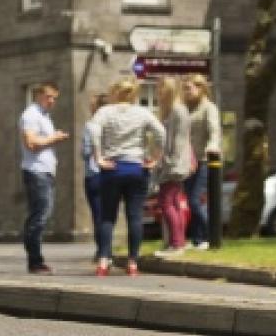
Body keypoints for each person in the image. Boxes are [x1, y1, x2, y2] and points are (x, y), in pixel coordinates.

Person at [91, 76, 164, 277]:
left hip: (112, 168)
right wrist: (155, 157)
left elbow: (94, 131)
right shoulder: (142, 113)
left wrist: (99, 157)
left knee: (107, 216)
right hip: (136, 168)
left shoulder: (104, 112)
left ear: (115, 92)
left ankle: (104, 261)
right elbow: (161, 133)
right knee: (135, 216)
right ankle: (132, 262)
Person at [19, 82, 69, 275]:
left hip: (45, 171)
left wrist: (53, 137)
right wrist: (54, 139)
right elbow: (31, 143)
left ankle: (35, 259)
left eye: (55, 98)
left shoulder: (43, 116)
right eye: (49, 97)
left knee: (40, 214)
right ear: (38, 95)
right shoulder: (30, 115)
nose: (52, 101)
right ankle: (35, 261)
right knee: (40, 216)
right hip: (36, 171)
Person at [153, 76, 193, 258]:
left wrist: (168, 162)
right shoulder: (174, 111)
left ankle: (177, 244)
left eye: (162, 88)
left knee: (167, 202)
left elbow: (178, 141)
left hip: (174, 165)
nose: (158, 92)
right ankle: (176, 242)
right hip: (173, 163)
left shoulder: (178, 111)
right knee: (173, 202)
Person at [182, 73, 221, 250]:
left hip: (204, 160)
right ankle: (198, 239)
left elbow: (214, 130)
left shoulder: (209, 108)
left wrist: (212, 146)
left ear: (200, 88)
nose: (186, 92)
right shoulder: (187, 108)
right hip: (189, 161)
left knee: (195, 200)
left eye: (188, 88)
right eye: (184, 89)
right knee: (190, 201)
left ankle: (211, 235)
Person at [81, 92, 110, 264]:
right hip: (111, 172)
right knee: (108, 214)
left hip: (93, 173)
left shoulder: (90, 125)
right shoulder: (114, 125)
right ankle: (108, 250)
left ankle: (102, 251)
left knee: (98, 215)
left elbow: (85, 152)